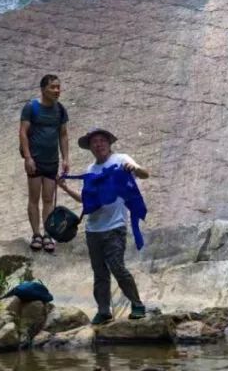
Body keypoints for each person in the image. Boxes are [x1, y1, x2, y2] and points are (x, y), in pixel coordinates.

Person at [58, 128, 148, 325]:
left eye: (101, 141)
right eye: (94, 142)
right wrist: (65, 188)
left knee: (117, 266)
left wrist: (133, 169)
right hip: (93, 229)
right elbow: (86, 201)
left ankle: (137, 304)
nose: (98, 145)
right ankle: (103, 310)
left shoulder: (121, 159)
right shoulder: (91, 170)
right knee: (99, 273)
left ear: (109, 143)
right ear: (90, 147)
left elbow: (145, 174)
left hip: (115, 226)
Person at [19, 74, 70, 252]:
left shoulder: (60, 110)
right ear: (43, 90)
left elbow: (63, 135)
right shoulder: (31, 108)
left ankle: (47, 233)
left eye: (58, 87)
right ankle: (36, 234)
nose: (57, 91)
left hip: (51, 161)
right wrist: (27, 157)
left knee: (48, 199)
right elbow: (23, 132)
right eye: (53, 87)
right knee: (34, 198)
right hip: (35, 160)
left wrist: (66, 158)